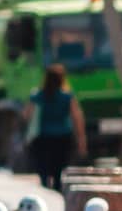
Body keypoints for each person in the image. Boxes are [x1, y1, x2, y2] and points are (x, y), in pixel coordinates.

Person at [22, 63, 87, 191]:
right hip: (62, 137)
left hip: (42, 138)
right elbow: (77, 119)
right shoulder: (67, 97)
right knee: (58, 171)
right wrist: (81, 142)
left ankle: (45, 189)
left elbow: (26, 115)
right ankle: (56, 190)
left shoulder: (37, 96)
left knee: (43, 170)